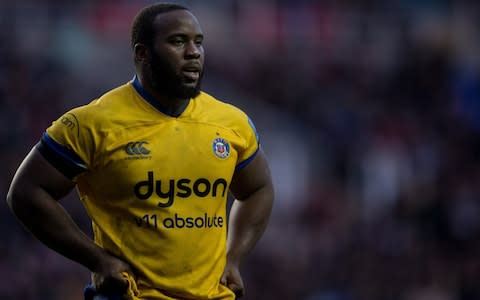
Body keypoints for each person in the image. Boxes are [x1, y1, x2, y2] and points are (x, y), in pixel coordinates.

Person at [6, 3, 274, 300]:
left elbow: (258, 188)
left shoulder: (231, 123)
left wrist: (233, 257)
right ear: (142, 53)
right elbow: (26, 192)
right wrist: (96, 259)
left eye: (198, 42)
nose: (193, 52)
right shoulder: (93, 123)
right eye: (177, 41)